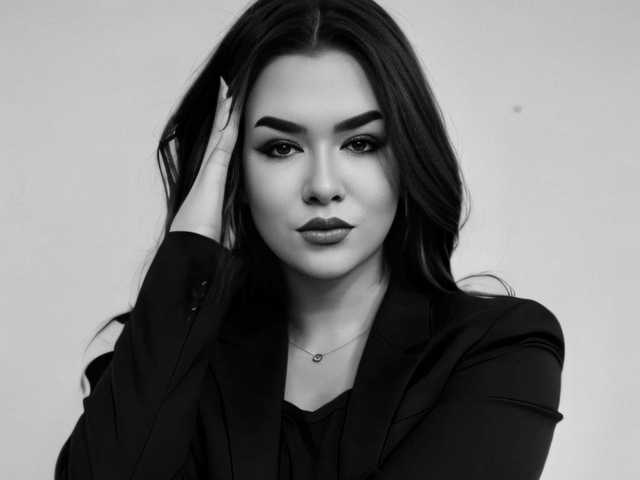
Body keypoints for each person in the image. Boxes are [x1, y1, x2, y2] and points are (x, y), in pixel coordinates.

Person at [54, 0, 565, 478]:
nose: (323, 186)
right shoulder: (165, 357)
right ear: (233, 172)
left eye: (360, 143)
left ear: (409, 154)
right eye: (281, 148)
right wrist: (192, 244)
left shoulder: (499, 348)